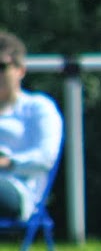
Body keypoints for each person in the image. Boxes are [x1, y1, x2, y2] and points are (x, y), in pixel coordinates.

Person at [0, 32, 64, 222]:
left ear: (20, 70)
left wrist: (7, 162)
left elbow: (46, 157)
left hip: (19, 189)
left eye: (1, 67)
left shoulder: (39, 107)